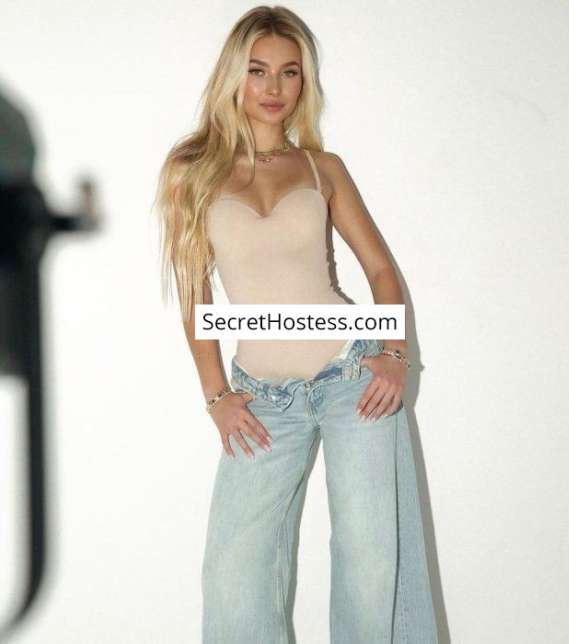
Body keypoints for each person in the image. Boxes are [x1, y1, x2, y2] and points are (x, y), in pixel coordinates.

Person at [154, 6, 438, 643]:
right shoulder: (192, 170)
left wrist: (396, 354)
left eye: (289, 72)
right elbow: (195, 298)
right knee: (233, 569)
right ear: (234, 75)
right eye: (258, 70)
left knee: (371, 560)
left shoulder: (321, 167)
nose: (274, 87)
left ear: (304, 82)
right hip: (262, 398)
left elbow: (381, 271)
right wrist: (217, 397)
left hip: (351, 377)